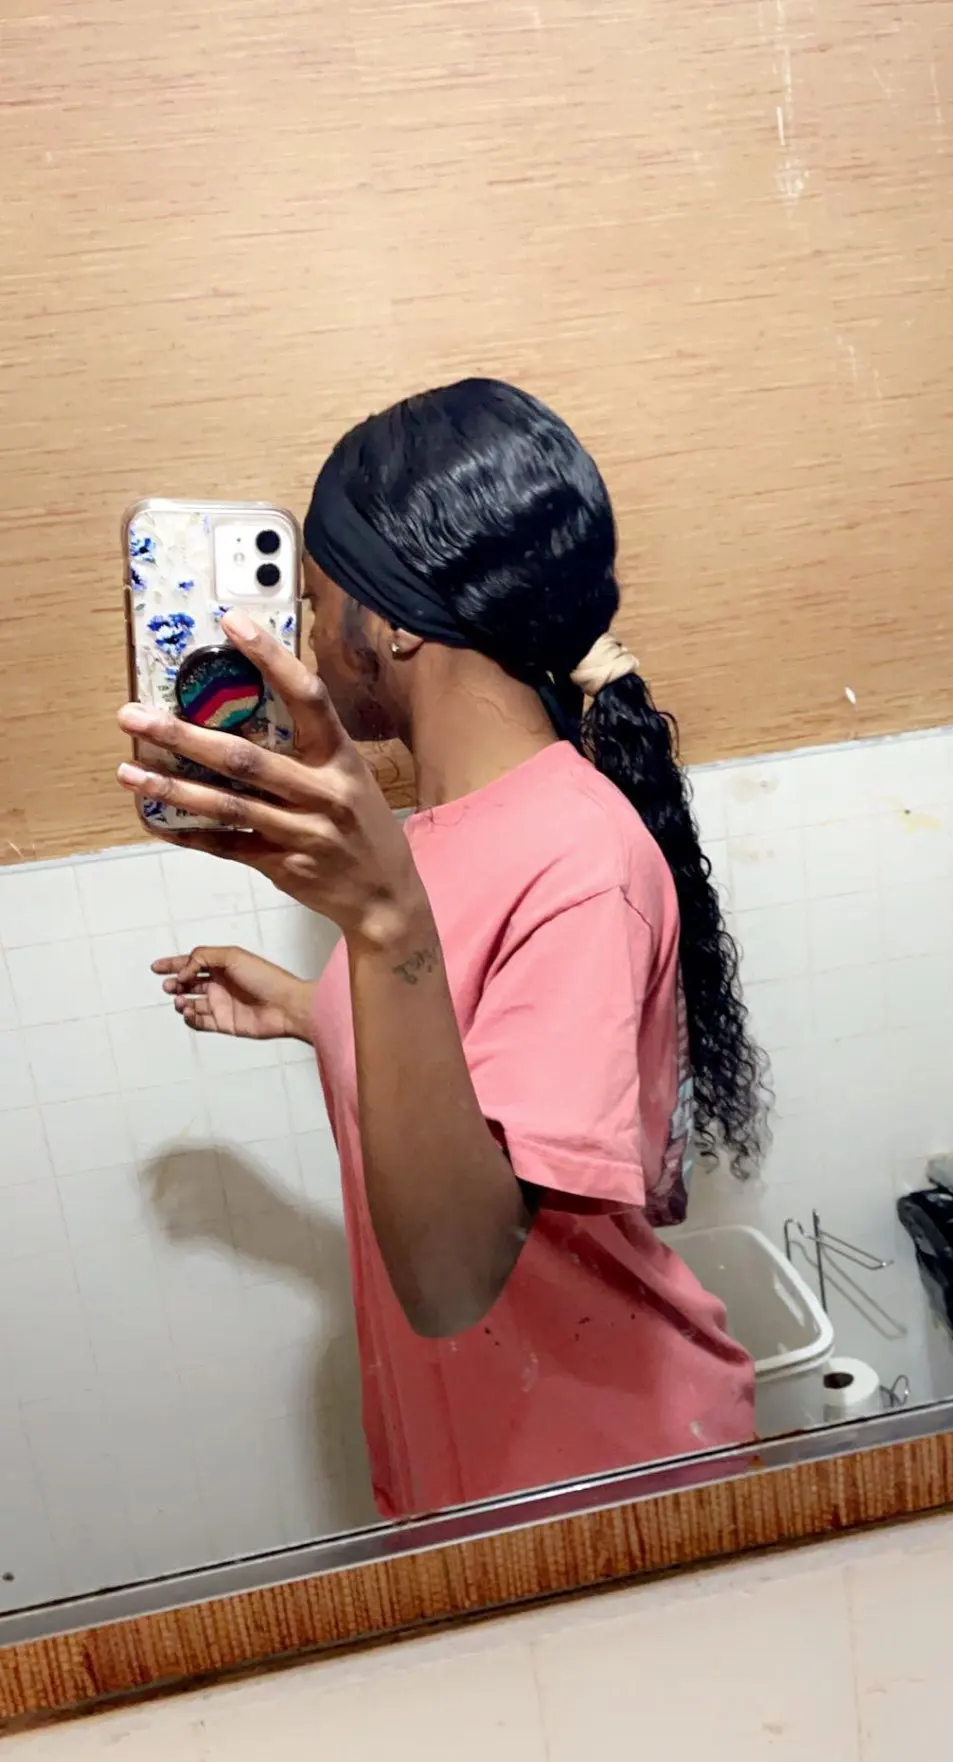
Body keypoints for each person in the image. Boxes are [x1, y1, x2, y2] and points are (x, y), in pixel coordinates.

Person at [117, 379, 769, 1518]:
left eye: (319, 598)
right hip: (477, 1461)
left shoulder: (580, 858)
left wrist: (379, 926)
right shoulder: (435, 833)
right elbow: (468, 1050)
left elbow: (453, 1278)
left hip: (605, 1477)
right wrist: (312, 1005)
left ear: (395, 620)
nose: (309, 635)